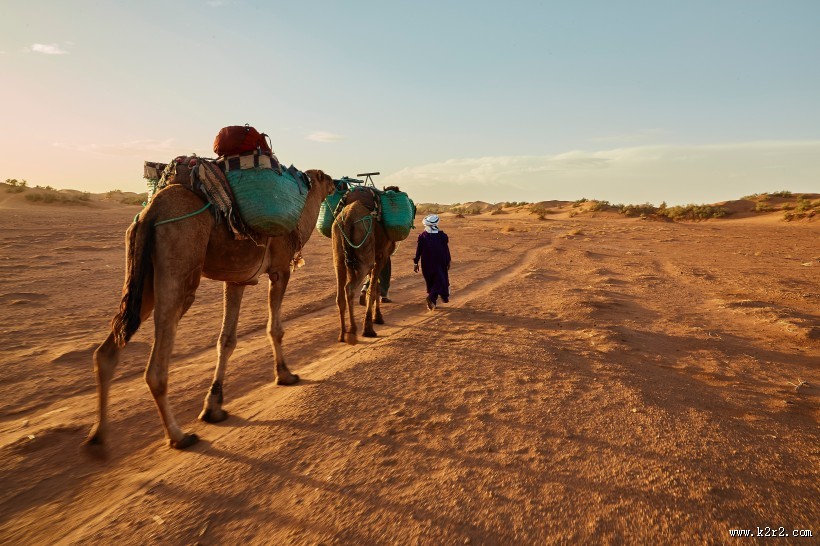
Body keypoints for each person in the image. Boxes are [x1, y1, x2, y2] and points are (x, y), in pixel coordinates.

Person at [413, 214, 451, 310]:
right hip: (440, 263)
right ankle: (431, 298)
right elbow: (446, 250)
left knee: (431, 282)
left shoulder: (422, 236)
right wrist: (448, 261)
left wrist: (416, 262)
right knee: (440, 281)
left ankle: (432, 302)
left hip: (426, 264)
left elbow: (418, 251)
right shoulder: (442, 236)